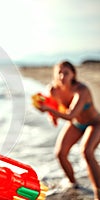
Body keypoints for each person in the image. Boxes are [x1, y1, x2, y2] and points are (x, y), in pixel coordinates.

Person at [38, 61, 100, 199]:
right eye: (59, 73)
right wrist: (50, 114)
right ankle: (73, 184)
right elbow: (49, 105)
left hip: (95, 123)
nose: (62, 76)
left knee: (87, 152)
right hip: (76, 124)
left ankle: (98, 191)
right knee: (60, 153)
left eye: (66, 73)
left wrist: (49, 109)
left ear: (73, 74)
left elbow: (70, 114)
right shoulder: (52, 90)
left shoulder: (82, 90)